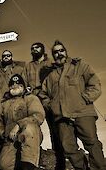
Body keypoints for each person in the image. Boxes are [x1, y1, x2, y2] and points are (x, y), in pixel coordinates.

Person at [39, 40, 105, 170]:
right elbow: (43, 94)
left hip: (83, 113)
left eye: (61, 50)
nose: (59, 54)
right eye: (56, 52)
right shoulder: (51, 75)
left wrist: (84, 98)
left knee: (92, 144)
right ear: (53, 55)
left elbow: (95, 84)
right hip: (62, 117)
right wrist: (51, 105)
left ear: (66, 52)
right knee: (68, 148)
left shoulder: (80, 66)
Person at [24, 42, 66, 170]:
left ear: (43, 49)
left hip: (49, 98)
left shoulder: (50, 65)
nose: (34, 50)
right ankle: (33, 160)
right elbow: (24, 82)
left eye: (37, 47)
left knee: (55, 130)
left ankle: (61, 162)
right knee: (32, 127)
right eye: (32, 48)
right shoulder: (28, 66)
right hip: (34, 99)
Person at [0, 74, 45, 170]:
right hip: (11, 138)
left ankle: (29, 165)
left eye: (19, 85)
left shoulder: (31, 98)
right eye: (12, 85)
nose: (15, 86)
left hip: (29, 136)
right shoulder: (4, 103)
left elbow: (38, 116)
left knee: (30, 128)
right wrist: (2, 132)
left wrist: (18, 125)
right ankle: (21, 161)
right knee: (5, 165)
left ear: (23, 87)